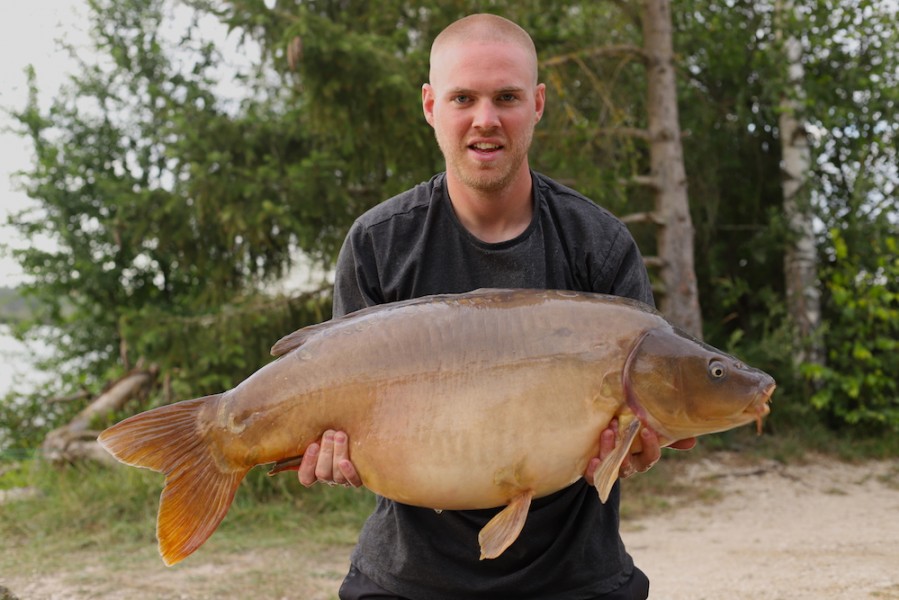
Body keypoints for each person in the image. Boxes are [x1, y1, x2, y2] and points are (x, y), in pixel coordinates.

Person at [296, 13, 695, 600]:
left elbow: (631, 440)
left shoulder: (599, 244)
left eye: (506, 97)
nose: (486, 119)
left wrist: (634, 453)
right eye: (464, 98)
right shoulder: (378, 244)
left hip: (576, 577)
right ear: (431, 106)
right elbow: (345, 418)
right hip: (406, 578)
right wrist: (334, 451)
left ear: (537, 104)